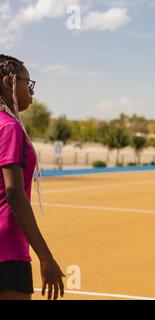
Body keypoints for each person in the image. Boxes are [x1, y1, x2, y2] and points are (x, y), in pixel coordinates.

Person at [0, 54, 65, 300]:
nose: (31, 91)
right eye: (27, 83)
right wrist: (46, 257)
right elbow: (14, 194)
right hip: (7, 249)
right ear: (9, 83)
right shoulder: (9, 127)